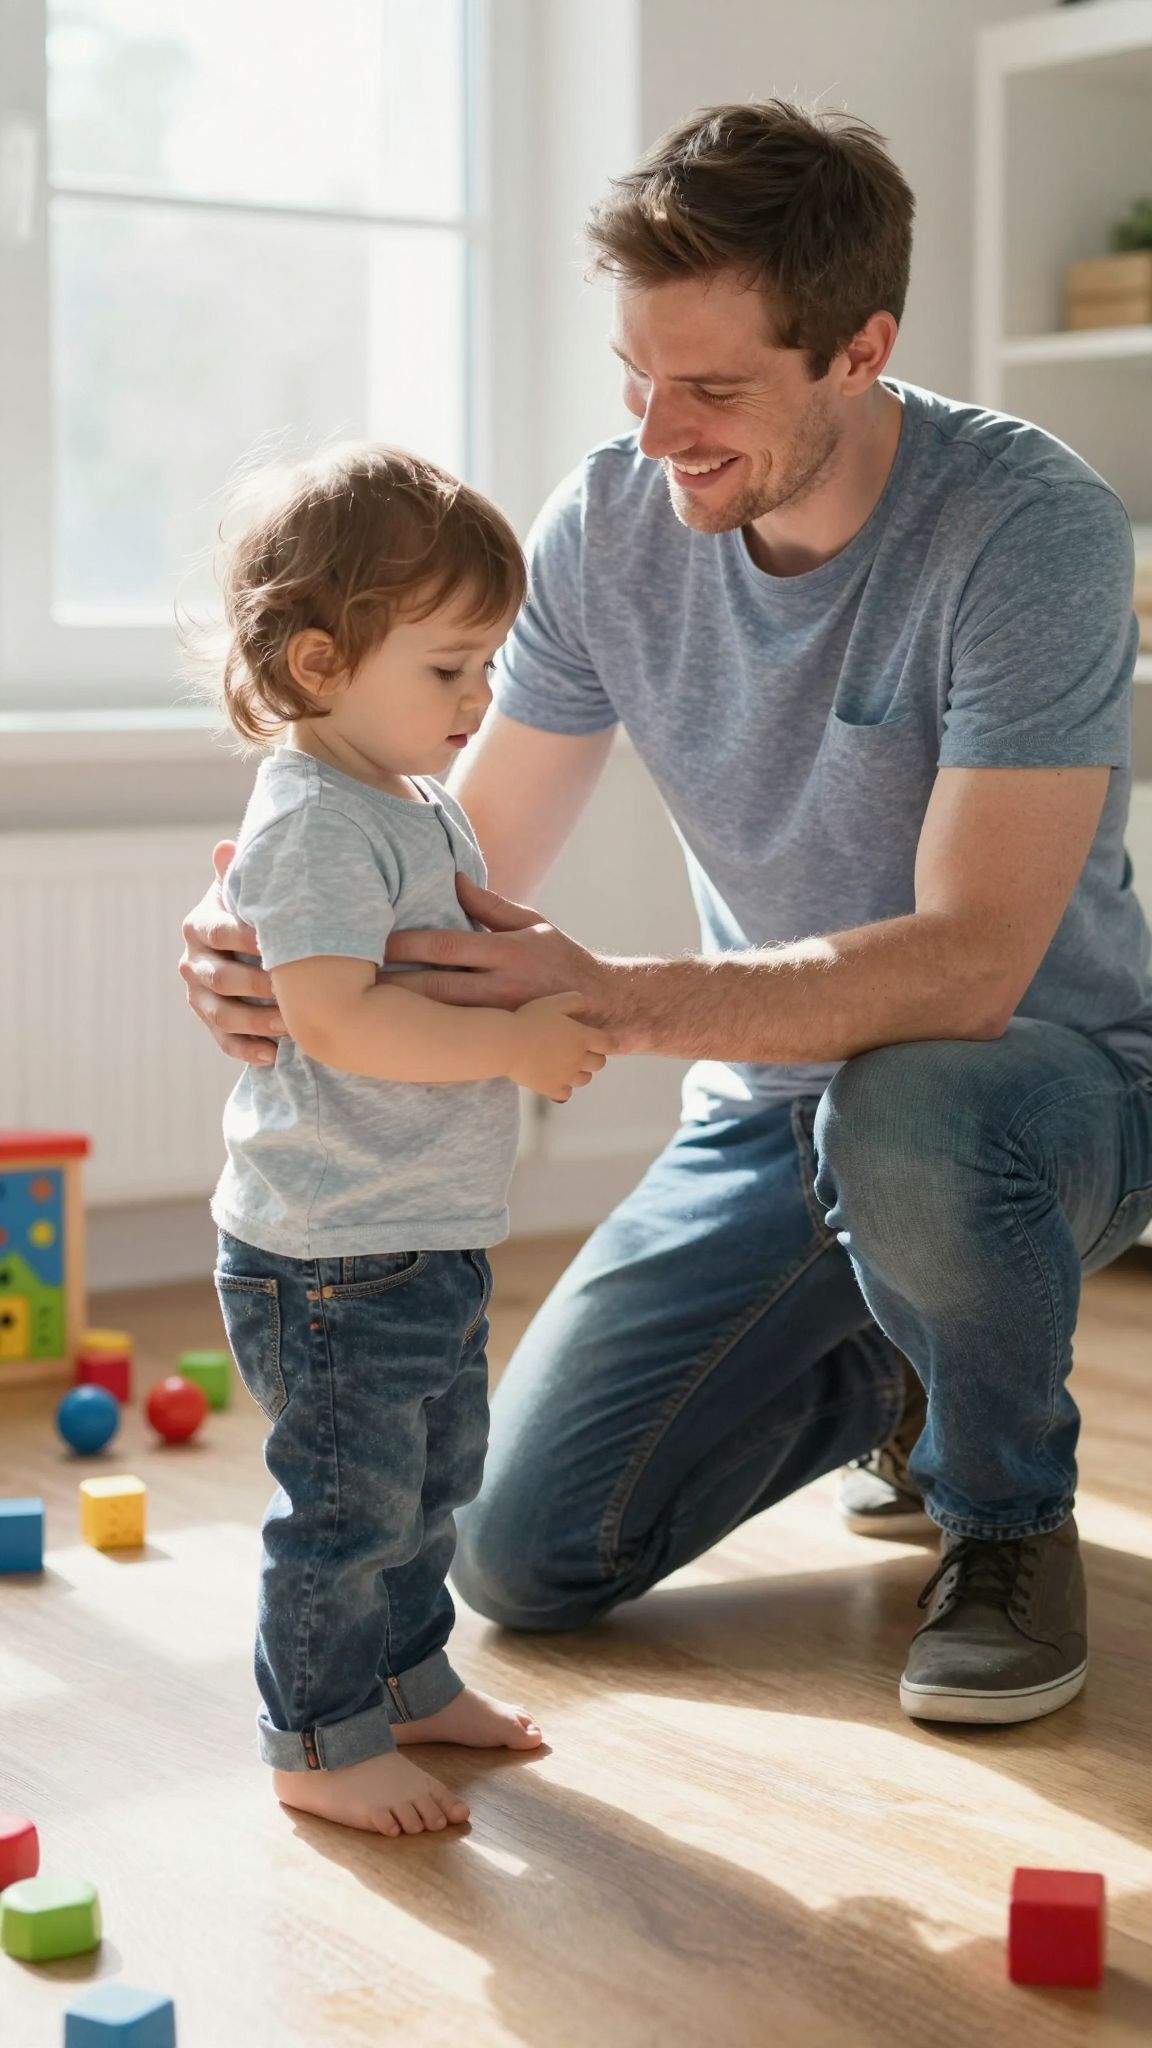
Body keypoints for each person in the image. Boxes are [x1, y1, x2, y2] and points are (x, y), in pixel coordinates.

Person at [182, 101, 1152, 1730]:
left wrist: (607, 999)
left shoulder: (1028, 527)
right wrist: (279, 947)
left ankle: (1001, 1518)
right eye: (635, 375)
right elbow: (464, 866)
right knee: (525, 1556)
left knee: (915, 1107)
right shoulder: (610, 526)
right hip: (770, 1114)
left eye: (711, 388)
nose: (657, 432)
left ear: (861, 350)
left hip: (1035, 1103)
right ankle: (902, 1362)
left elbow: (974, 968)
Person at [205, 444, 609, 1838]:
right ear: (320, 663)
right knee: (347, 1509)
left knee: (431, 1487)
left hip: (415, 1231)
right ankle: (317, 1742)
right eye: (449, 669)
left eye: (488, 665)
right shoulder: (318, 818)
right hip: (331, 1252)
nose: (479, 700)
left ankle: (406, 1679)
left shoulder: (412, 801)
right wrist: (512, 1047)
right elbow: (336, 1018)